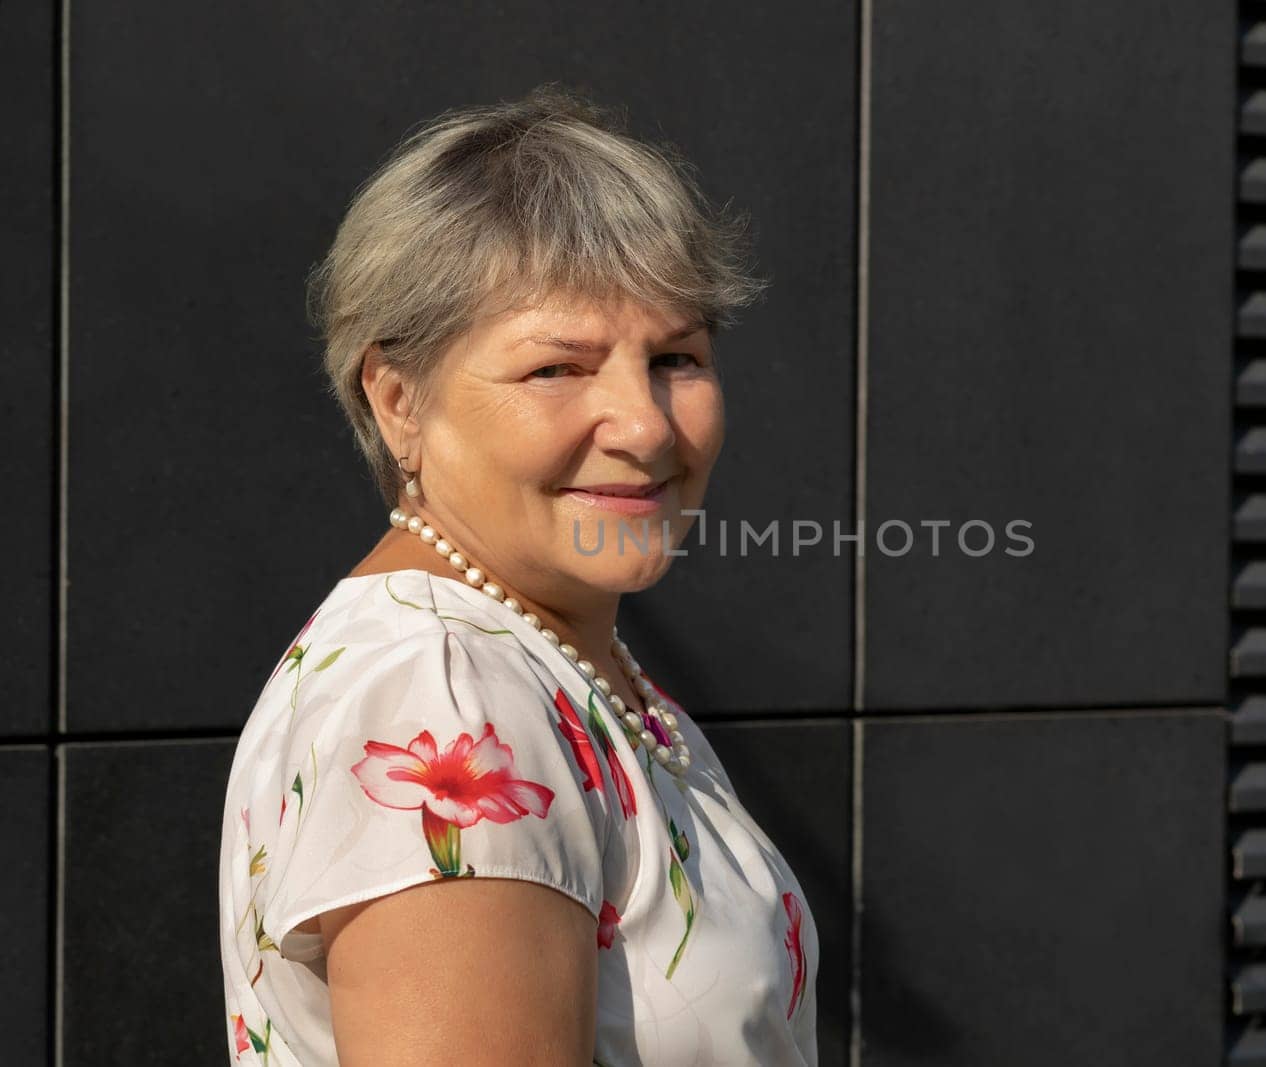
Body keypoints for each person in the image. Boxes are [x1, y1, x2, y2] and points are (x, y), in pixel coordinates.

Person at [217, 83, 818, 1066]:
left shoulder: (557, 659)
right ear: (399, 399)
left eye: (675, 357)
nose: (644, 426)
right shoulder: (445, 697)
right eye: (557, 368)